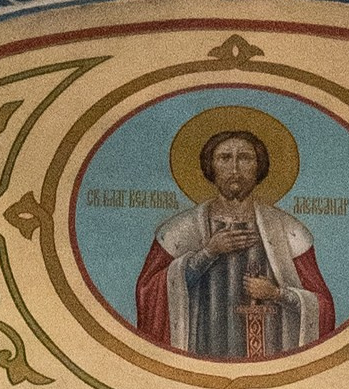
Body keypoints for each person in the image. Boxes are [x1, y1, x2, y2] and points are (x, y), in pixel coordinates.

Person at [134, 125, 338, 358]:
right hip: (200, 350)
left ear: (258, 167)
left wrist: (276, 294)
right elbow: (149, 291)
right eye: (224, 158)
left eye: (244, 158)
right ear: (210, 167)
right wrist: (208, 253)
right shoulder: (180, 230)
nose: (234, 168)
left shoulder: (288, 230)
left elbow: (323, 305)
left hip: (271, 353)